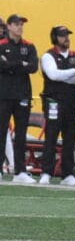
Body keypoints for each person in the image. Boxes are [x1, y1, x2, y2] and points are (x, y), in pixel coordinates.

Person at [39, 25, 75, 186]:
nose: (66, 38)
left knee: (69, 138)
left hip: (71, 102)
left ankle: (67, 173)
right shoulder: (48, 56)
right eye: (63, 36)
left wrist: (71, 74)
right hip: (53, 102)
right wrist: (73, 72)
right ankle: (46, 172)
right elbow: (53, 75)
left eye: (67, 35)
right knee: (51, 137)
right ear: (55, 38)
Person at [0, 14, 39, 184]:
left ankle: (20, 171)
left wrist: (12, 64)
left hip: (23, 95)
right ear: (8, 26)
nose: (20, 27)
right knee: (1, 132)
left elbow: (32, 67)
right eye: (16, 24)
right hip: (4, 95)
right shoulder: (1, 45)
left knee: (21, 133)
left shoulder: (29, 46)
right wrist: (19, 64)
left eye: (21, 24)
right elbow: (2, 65)